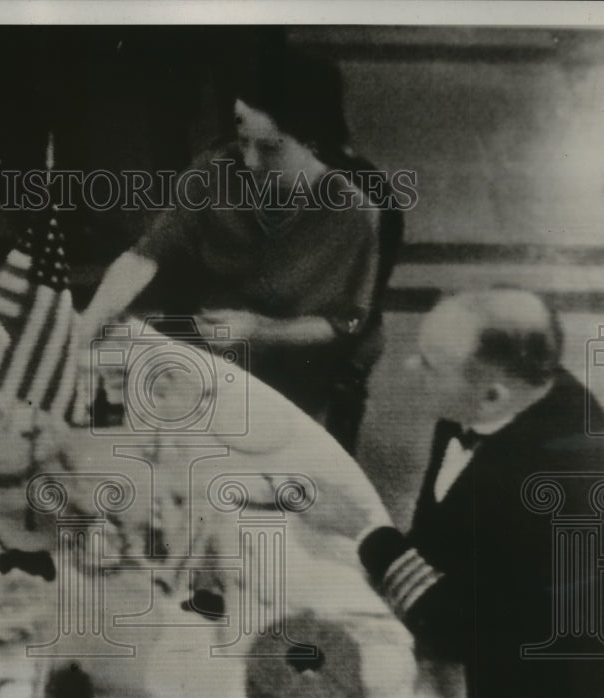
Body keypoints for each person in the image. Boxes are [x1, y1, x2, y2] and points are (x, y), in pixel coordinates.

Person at [356, 290, 604, 698]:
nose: (409, 367)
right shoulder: (493, 400)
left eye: (430, 364)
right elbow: (444, 532)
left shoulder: (559, 492)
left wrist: (374, 540)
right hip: (484, 618)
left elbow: (460, 631)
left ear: (492, 395)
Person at [79, 50, 403, 452]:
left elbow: (346, 325)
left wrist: (260, 331)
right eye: (243, 139)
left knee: (254, 454)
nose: (249, 161)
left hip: (300, 358)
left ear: (313, 144)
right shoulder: (215, 170)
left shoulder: (355, 211)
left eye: (268, 149)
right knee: (116, 394)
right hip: (215, 342)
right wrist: (88, 324)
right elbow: (145, 255)